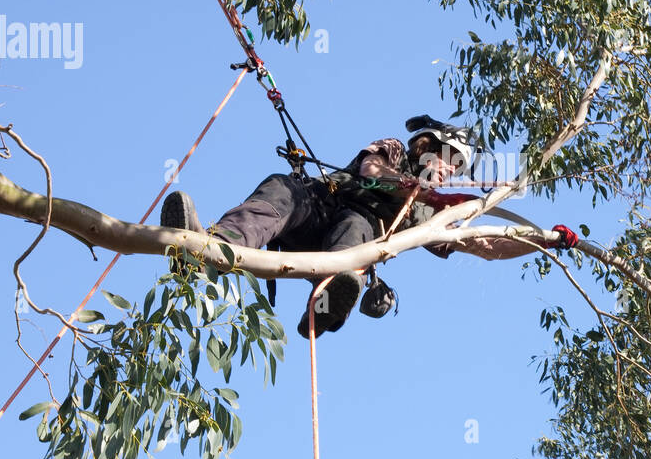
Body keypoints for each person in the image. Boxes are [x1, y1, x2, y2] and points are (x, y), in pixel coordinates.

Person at [159, 116, 579, 338]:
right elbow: (369, 167)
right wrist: (407, 183)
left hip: (348, 243)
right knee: (282, 187)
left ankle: (326, 302)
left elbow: (485, 244)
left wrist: (544, 241)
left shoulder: (431, 214)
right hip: (316, 208)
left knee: (359, 225)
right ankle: (206, 248)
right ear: (429, 144)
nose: (449, 171)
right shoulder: (395, 152)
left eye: (457, 169)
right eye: (449, 159)